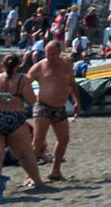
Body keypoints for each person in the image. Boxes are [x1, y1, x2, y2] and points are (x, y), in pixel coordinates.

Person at [0, 54, 45, 191]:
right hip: (15, 117)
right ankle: (38, 182)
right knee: (25, 154)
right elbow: (31, 101)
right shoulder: (23, 80)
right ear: (19, 65)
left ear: (1, 66)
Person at [26, 39, 79, 182]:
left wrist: (76, 101)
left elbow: (72, 83)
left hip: (60, 107)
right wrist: (30, 99)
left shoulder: (67, 63)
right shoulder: (39, 67)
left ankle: (55, 170)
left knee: (64, 139)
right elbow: (24, 84)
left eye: (53, 55)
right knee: (38, 141)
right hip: (43, 106)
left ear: (60, 52)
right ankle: (29, 175)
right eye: (48, 54)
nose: (50, 57)